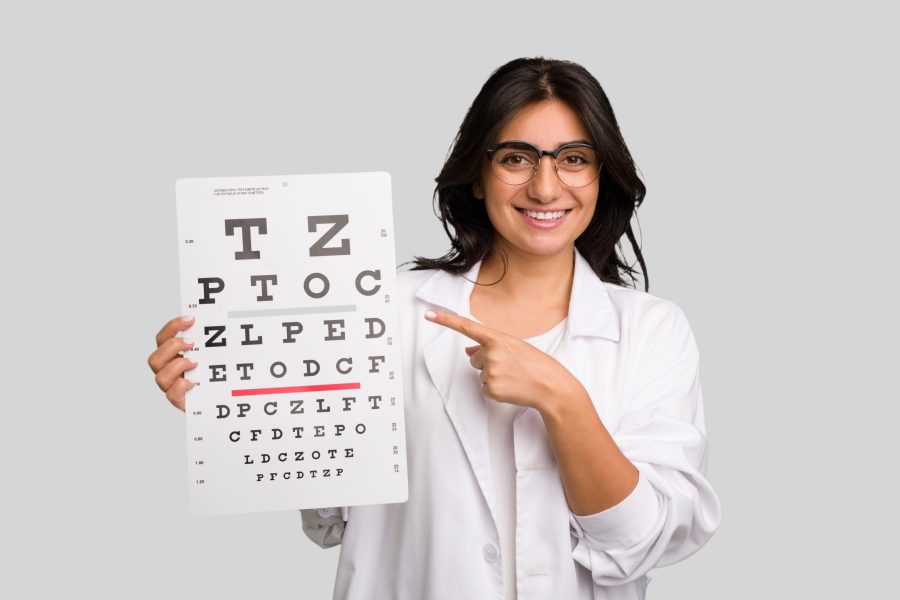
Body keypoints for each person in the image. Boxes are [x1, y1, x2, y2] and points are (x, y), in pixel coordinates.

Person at [148, 57, 721, 600]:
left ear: (601, 175)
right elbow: (331, 516)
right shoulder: (379, 310)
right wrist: (245, 404)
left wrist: (562, 398)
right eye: (516, 159)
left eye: (573, 159)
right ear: (478, 176)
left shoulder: (653, 330)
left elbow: (643, 540)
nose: (546, 188)